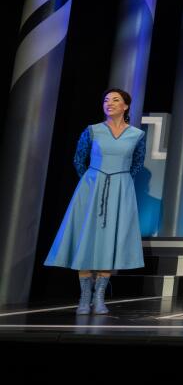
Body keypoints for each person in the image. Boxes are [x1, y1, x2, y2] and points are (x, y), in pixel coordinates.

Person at [45, 89, 146, 315]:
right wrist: (92, 181)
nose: (109, 103)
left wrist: (120, 181)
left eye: (115, 100)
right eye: (106, 100)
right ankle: (84, 296)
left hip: (120, 188)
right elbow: (78, 159)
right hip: (91, 188)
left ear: (126, 106)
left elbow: (137, 163)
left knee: (110, 240)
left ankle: (100, 297)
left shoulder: (137, 135)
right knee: (86, 237)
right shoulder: (92, 131)